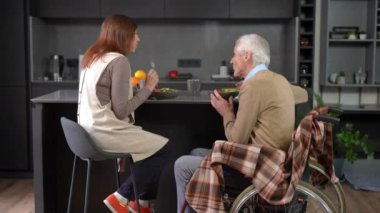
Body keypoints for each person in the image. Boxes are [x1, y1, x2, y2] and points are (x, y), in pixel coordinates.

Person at [174, 33, 307, 212]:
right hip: (278, 161)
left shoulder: (253, 85)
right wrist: (253, 90)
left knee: (181, 165)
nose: (231, 60)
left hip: (259, 168)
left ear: (247, 56)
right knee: (196, 152)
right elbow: (304, 94)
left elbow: (236, 140)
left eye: (235, 55)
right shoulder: (279, 80)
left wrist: (226, 112)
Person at [77, 14, 171, 213]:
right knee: (165, 150)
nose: (138, 39)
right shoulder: (119, 61)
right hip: (105, 134)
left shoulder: (93, 57)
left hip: (87, 133)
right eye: (135, 34)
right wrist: (148, 88)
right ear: (123, 36)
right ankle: (122, 196)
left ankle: (142, 204)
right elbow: (121, 111)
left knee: (149, 150)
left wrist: (137, 91)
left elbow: (108, 98)